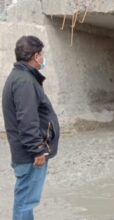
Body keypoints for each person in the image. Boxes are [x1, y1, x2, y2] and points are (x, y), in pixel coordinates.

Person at [2, 35, 60, 220]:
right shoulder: (24, 81)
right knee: (26, 201)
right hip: (30, 156)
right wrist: (37, 150)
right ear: (36, 56)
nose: (43, 58)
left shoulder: (20, 77)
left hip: (26, 153)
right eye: (41, 54)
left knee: (25, 200)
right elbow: (27, 120)